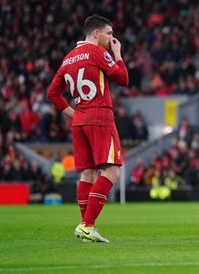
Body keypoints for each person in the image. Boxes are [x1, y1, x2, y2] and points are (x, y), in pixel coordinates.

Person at [47, 14, 129, 243]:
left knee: (87, 174)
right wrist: (118, 55)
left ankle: (86, 230)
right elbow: (122, 78)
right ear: (96, 33)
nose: (111, 38)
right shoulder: (98, 52)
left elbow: (52, 94)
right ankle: (87, 225)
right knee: (112, 171)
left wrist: (73, 113)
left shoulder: (68, 58)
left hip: (80, 121)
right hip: (100, 116)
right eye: (109, 33)